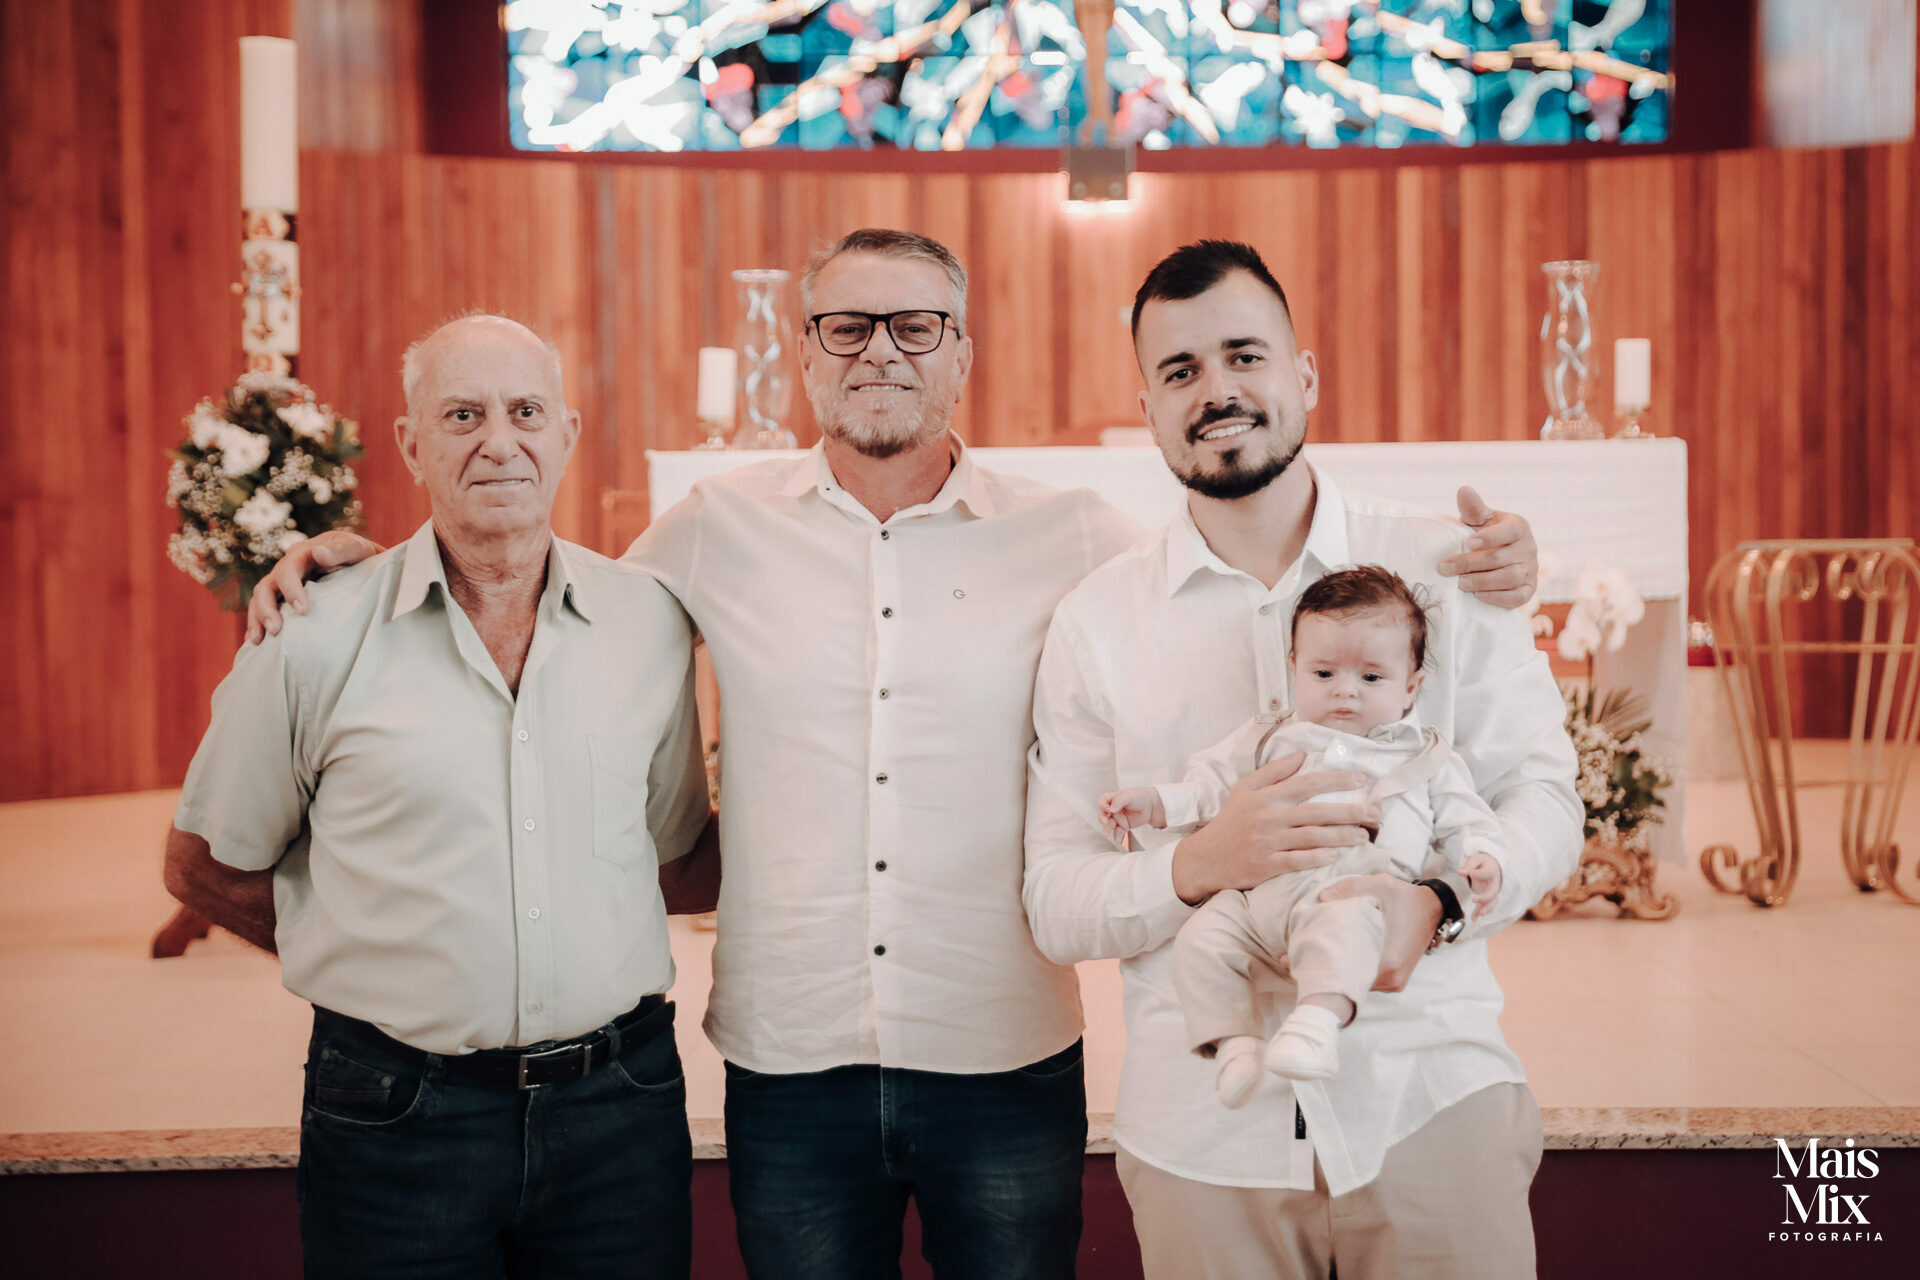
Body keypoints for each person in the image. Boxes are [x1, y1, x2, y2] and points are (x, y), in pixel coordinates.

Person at [245, 230, 1541, 1279]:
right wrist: (362, 565)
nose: (881, 350)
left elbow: (1240, 558)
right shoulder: (711, 529)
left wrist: (1489, 569)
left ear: (961, 351)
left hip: (1002, 1050)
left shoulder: (1077, 536)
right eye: (847, 326)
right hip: (793, 1056)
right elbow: (547, 592)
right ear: (806, 355)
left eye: (917, 325)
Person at [1024, 239, 1581, 1279]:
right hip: (1206, 1137)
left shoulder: (1446, 569)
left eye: (1245, 355)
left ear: (1305, 374)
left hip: (1429, 1098)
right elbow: (1056, 898)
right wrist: (1201, 861)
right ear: (1147, 406)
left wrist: (1442, 901)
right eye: (1181, 370)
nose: (1217, 391)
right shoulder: (1098, 620)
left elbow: (1543, 796)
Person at [166, 315, 715, 1279]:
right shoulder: (314, 634)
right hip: (395, 1116)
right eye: (463, 415)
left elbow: (671, 856)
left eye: (526, 412)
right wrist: (369, 954)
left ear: (566, 435)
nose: (498, 441)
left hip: (619, 1114)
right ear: (412, 444)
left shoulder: (651, 624)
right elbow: (202, 866)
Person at [1099, 565, 1506, 1102]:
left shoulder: (1425, 757)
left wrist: (1483, 856)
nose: (1345, 692)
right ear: (1294, 668)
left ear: (1411, 686)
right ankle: (1234, 1044)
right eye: (1324, 674)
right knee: (1200, 941)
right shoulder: (1270, 739)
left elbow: (1466, 818)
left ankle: (1317, 1024)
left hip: (1353, 889)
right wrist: (1154, 803)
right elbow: (1209, 786)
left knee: (1345, 931)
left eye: (1371, 678)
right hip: (1257, 897)